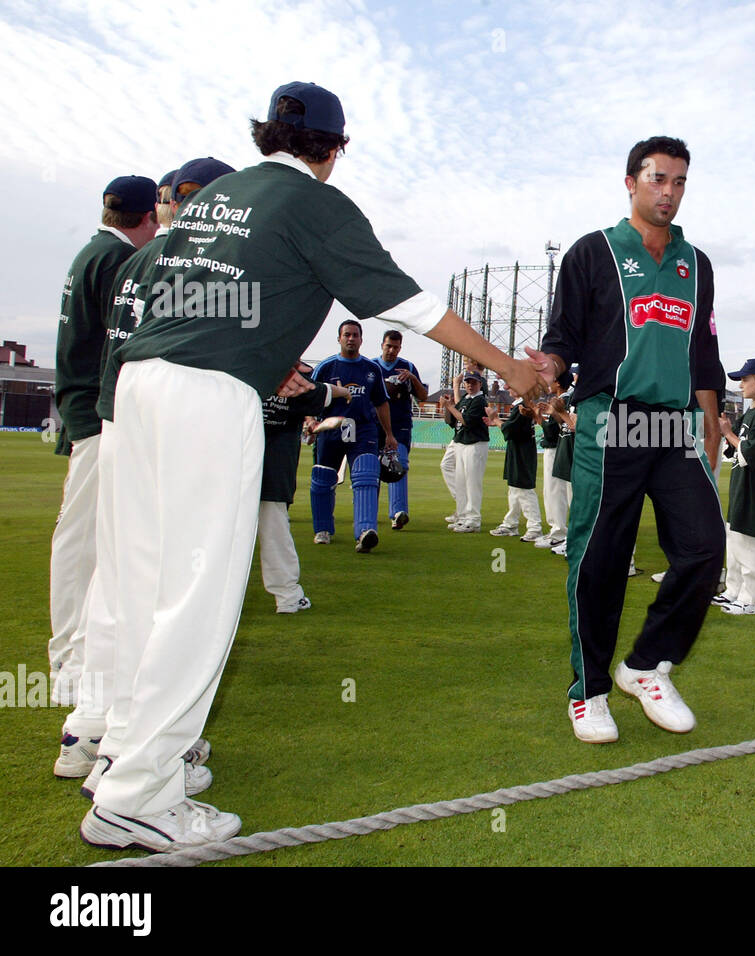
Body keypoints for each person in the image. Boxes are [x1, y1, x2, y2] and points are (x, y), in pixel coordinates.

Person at [78, 81, 544, 853]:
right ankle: (138, 794)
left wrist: (273, 360)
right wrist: (507, 368)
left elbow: (181, 294)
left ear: (268, 134)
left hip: (138, 386)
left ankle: (118, 755)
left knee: (139, 581)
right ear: (337, 145)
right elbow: (411, 304)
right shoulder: (316, 203)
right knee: (195, 597)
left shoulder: (216, 197)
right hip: (207, 396)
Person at [531, 135, 725, 744]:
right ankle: (588, 691)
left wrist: (712, 420)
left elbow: (704, 352)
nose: (669, 192)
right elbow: (563, 334)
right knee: (601, 559)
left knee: (704, 548)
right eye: (658, 179)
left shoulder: (698, 263)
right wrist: (549, 368)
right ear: (631, 182)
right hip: (608, 420)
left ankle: (645, 666)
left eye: (680, 182)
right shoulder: (593, 252)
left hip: (672, 426)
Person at [57, 159, 234, 785]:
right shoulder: (193, 263)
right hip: (155, 433)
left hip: (114, 420)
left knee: (116, 583)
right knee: (168, 589)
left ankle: (93, 730)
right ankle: (141, 751)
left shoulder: (135, 260)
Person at [48, 174, 157, 714]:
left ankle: (72, 656)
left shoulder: (91, 252)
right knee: (88, 538)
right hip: (97, 412)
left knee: (85, 535)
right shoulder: (115, 261)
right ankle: (72, 660)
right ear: (147, 219)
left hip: (82, 407)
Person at [261, 366, 350, 611]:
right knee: (275, 533)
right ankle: (288, 597)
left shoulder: (244, 371)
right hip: (274, 472)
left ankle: (209, 598)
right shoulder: (295, 381)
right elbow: (325, 392)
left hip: (236, 470)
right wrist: (345, 391)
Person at [306, 319, 397, 553]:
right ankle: (323, 529)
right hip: (331, 429)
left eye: (355, 335)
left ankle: (366, 531)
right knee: (323, 480)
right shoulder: (325, 368)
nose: (351, 338)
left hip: (363, 429)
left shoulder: (371, 368)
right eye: (346, 334)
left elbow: (381, 403)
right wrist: (310, 422)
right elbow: (311, 399)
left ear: (361, 339)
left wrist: (389, 434)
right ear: (339, 338)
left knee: (367, 473)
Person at [714, 359, 755, 615]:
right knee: (736, 538)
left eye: (745, 379)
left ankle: (753, 598)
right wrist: (729, 433)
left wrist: (728, 433)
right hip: (743, 485)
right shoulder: (752, 413)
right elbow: (735, 450)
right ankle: (734, 590)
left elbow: (751, 453)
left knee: (749, 541)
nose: (740, 384)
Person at [374, 329, 427, 530]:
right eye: (388, 346)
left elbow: (423, 396)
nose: (392, 350)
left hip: (400, 425)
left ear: (400, 348)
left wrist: (413, 379)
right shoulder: (372, 366)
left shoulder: (407, 367)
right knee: (372, 469)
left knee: (399, 464)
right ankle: (368, 509)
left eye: (396, 347)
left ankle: (398, 513)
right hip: (374, 425)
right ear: (382, 345)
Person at [487, 388, 544, 541]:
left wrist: (496, 419)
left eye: (511, 384)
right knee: (514, 488)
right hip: (518, 450)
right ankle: (511, 524)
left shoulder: (522, 406)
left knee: (524, 489)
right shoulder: (519, 405)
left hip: (522, 452)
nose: (507, 387)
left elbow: (510, 430)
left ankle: (535, 527)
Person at [444, 369, 490, 531]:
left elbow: (466, 420)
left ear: (480, 384)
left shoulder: (479, 401)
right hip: (461, 442)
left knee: (472, 483)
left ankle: (473, 519)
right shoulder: (465, 399)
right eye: (468, 382)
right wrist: (447, 408)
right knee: (461, 482)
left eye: (473, 382)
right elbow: (451, 421)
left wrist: (452, 407)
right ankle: (463, 516)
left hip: (475, 444)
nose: (470, 385)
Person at [535, 382, 569, 548]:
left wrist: (539, 418)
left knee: (556, 491)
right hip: (555, 448)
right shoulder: (559, 400)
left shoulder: (566, 399)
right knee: (550, 491)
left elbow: (552, 431)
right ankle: (556, 530)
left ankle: (559, 532)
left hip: (558, 449)